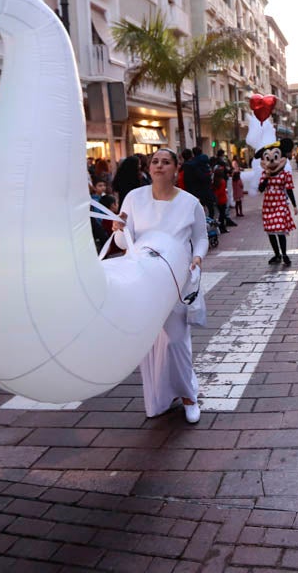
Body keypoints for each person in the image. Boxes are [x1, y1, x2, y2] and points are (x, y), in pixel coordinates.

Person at [112, 149, 206, 424]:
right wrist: (120, 229)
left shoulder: (190, 203)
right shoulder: (134, 198)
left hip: (176, 278)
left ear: (176, 168)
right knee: (152, 342)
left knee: (176, 340)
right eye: (155, 161)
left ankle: (189, 396)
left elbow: (200, 237)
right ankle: (160, 397)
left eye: (166, 162)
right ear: (149, 167)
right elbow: (122, 244)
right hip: (142, 281)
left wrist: (198, 258)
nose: (159, 166)